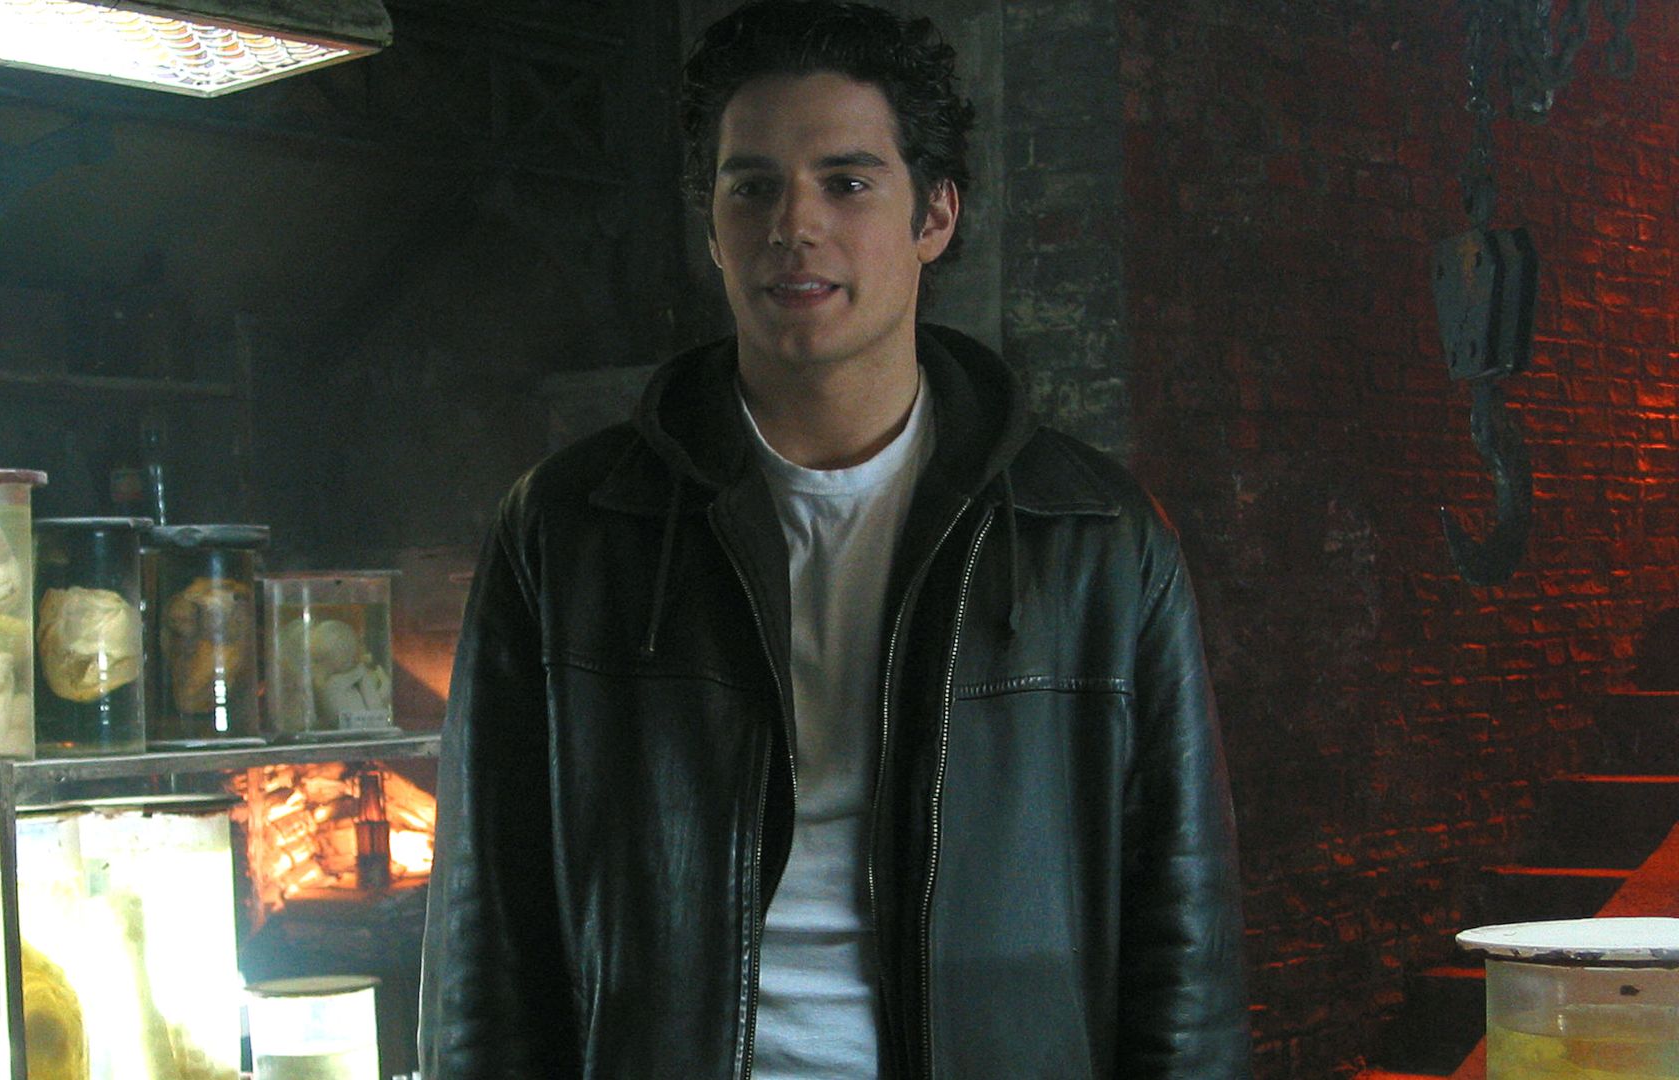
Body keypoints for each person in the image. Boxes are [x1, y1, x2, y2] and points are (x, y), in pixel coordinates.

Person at [418, 1, 1250, 1076]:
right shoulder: (570, 530)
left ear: (934, 215)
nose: (792, 226)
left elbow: (1184, 941)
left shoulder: (1093, 536)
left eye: (847, 183)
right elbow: (487, 931)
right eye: (751, 187)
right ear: (711, 223)